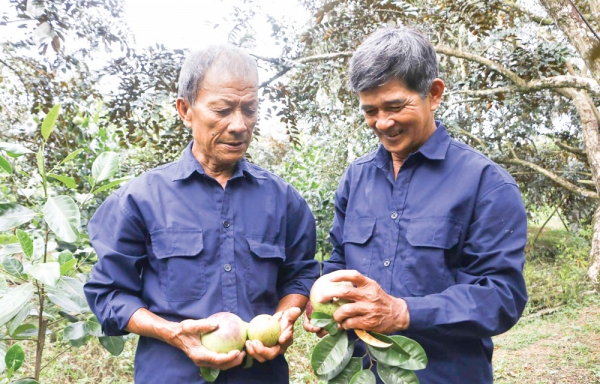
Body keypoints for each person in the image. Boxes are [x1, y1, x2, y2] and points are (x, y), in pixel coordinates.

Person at [84, 44, 320, 383]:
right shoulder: (141, 198)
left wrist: (284, 317)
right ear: (185, 109)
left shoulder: (283, 200)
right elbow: (108, 293)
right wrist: (172, 332)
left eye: (249, 109)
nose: (239, 125)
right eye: (222, 110)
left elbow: (300, 274)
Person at [304, 27, 528, 383]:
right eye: (370, 110)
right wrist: (321, 295)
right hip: (361, 372)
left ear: (433, 94)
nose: (383, 122)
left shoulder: (486, 184)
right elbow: (340, 260)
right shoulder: (356, 178)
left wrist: (402, 312)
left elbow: (502, 297)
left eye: (395, 106)